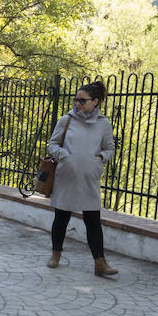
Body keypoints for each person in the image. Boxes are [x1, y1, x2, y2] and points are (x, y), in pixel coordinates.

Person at [45, 80, 117, 276]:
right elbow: (52, 144)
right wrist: (64, 157)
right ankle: (55, 255)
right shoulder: (65, 120)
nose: (78, 103)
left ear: (95, 101)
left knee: (93, 221)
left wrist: (99, 159)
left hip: (89, 179)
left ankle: (100, 262)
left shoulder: (104, 124)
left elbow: (109, 148)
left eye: (82, 100)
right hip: (66, 176)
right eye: (76, 99)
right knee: (61, 218)